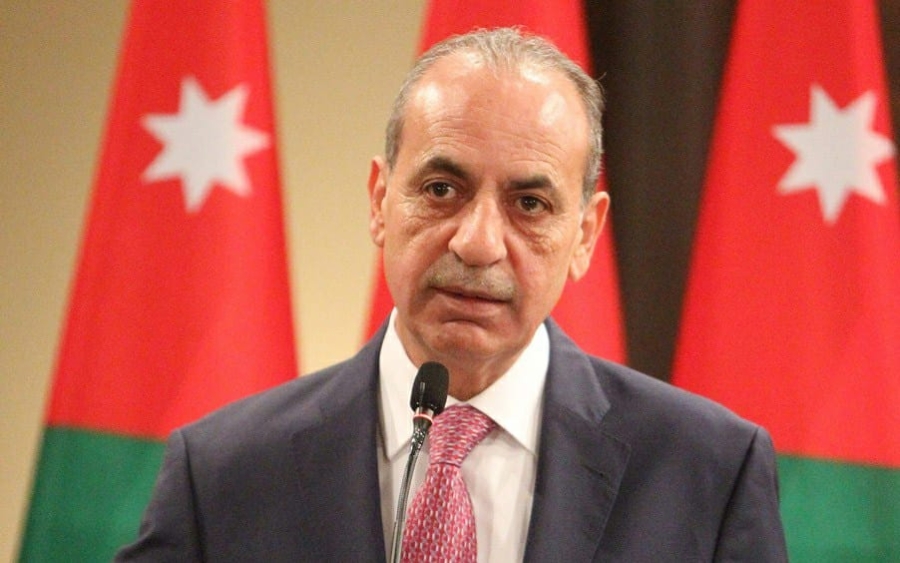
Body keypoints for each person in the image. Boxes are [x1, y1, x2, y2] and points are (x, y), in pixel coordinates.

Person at [116, 27, 787, 561]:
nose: (477, 242)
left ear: (585, 234)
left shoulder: (709, 471)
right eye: (442, 190)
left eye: (529, 203)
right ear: (381, 201)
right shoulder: (223, 474)